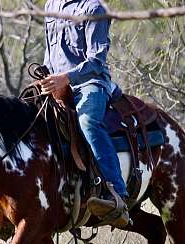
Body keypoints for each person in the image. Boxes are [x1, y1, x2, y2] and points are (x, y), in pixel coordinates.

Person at [40, 0, 129, 226]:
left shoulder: (94, 8)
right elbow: (49, 53)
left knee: (88, 122)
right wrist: (46, 78)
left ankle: (116, 194)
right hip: (56, 83)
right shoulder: (52, 4)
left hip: (90, 82)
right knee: (22, 116)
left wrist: (65, 78)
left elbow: (96, 60)